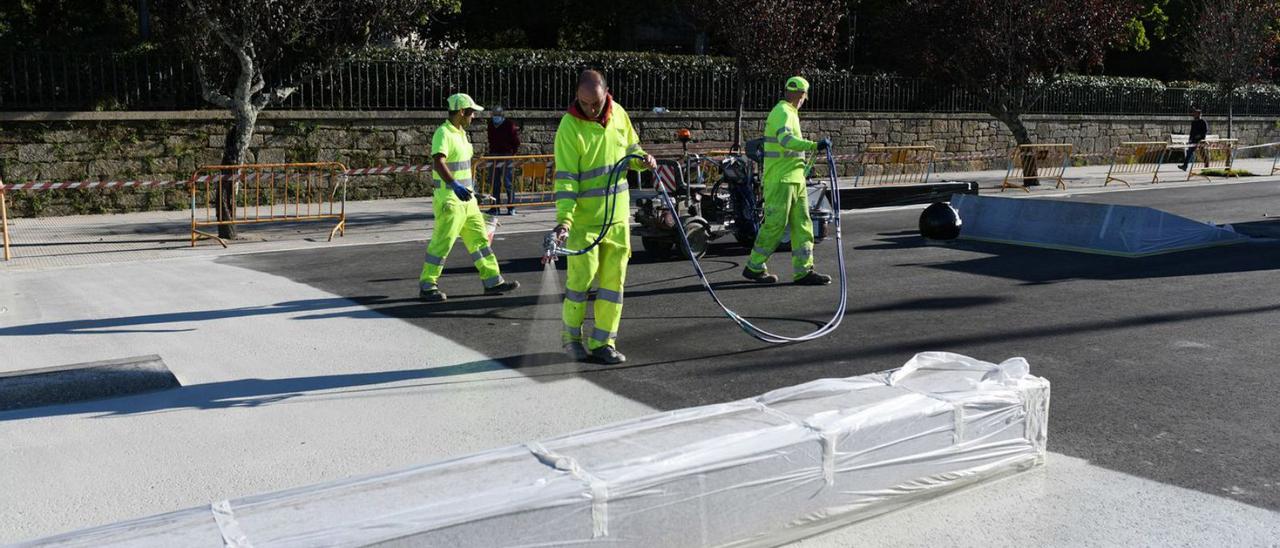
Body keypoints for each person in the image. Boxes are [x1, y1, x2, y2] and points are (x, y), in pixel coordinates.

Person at [551, 69, 657, 365]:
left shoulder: (619, 114)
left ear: (606, 94)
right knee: (579, 282)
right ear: (577, 98)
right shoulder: (569, 127)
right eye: (585, 103)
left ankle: (603, 342)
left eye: (595, 103)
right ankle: (571, 339)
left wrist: (642, 161)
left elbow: (632, 150)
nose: (591, 109)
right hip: (584, 222)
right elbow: (567, 180)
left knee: (613, 285)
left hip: (617, 219)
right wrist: (565, 220)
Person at [418, 93, 520, 302]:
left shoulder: (461, 134)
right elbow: (439, 162)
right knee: (442, 243)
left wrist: (472, 191)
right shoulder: (443, 133)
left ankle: (492, 280)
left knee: (480, 241)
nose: (474, 116)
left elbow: (463, 168)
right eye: (471, 112)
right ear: (461, 112)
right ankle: (427, 285)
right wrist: (454, 185)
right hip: (450, 200)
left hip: (467, 199)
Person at [742, 76, 833, 286]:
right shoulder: (782, 112)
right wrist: (814, 145)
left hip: (794, 179)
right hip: (781, 180)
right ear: (799, 94)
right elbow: (786, 141)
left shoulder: (790, 113)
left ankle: (804, 270)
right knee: (775, 225)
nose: (804, 99)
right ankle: (754, 267)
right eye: (804, 95)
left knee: (803, 225)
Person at [486, 105, 521, 215]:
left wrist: (512, 153)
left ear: (502, 115)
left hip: (506, 156)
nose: (495, 118)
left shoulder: (508, 124)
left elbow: (516, 141)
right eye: (494, 115)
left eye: (498, 115)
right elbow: (490, 139)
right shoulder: (491, 124)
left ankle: (511, 207)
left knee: (508, 182)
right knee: (494, 182)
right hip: (494, 155)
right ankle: (494, 207)